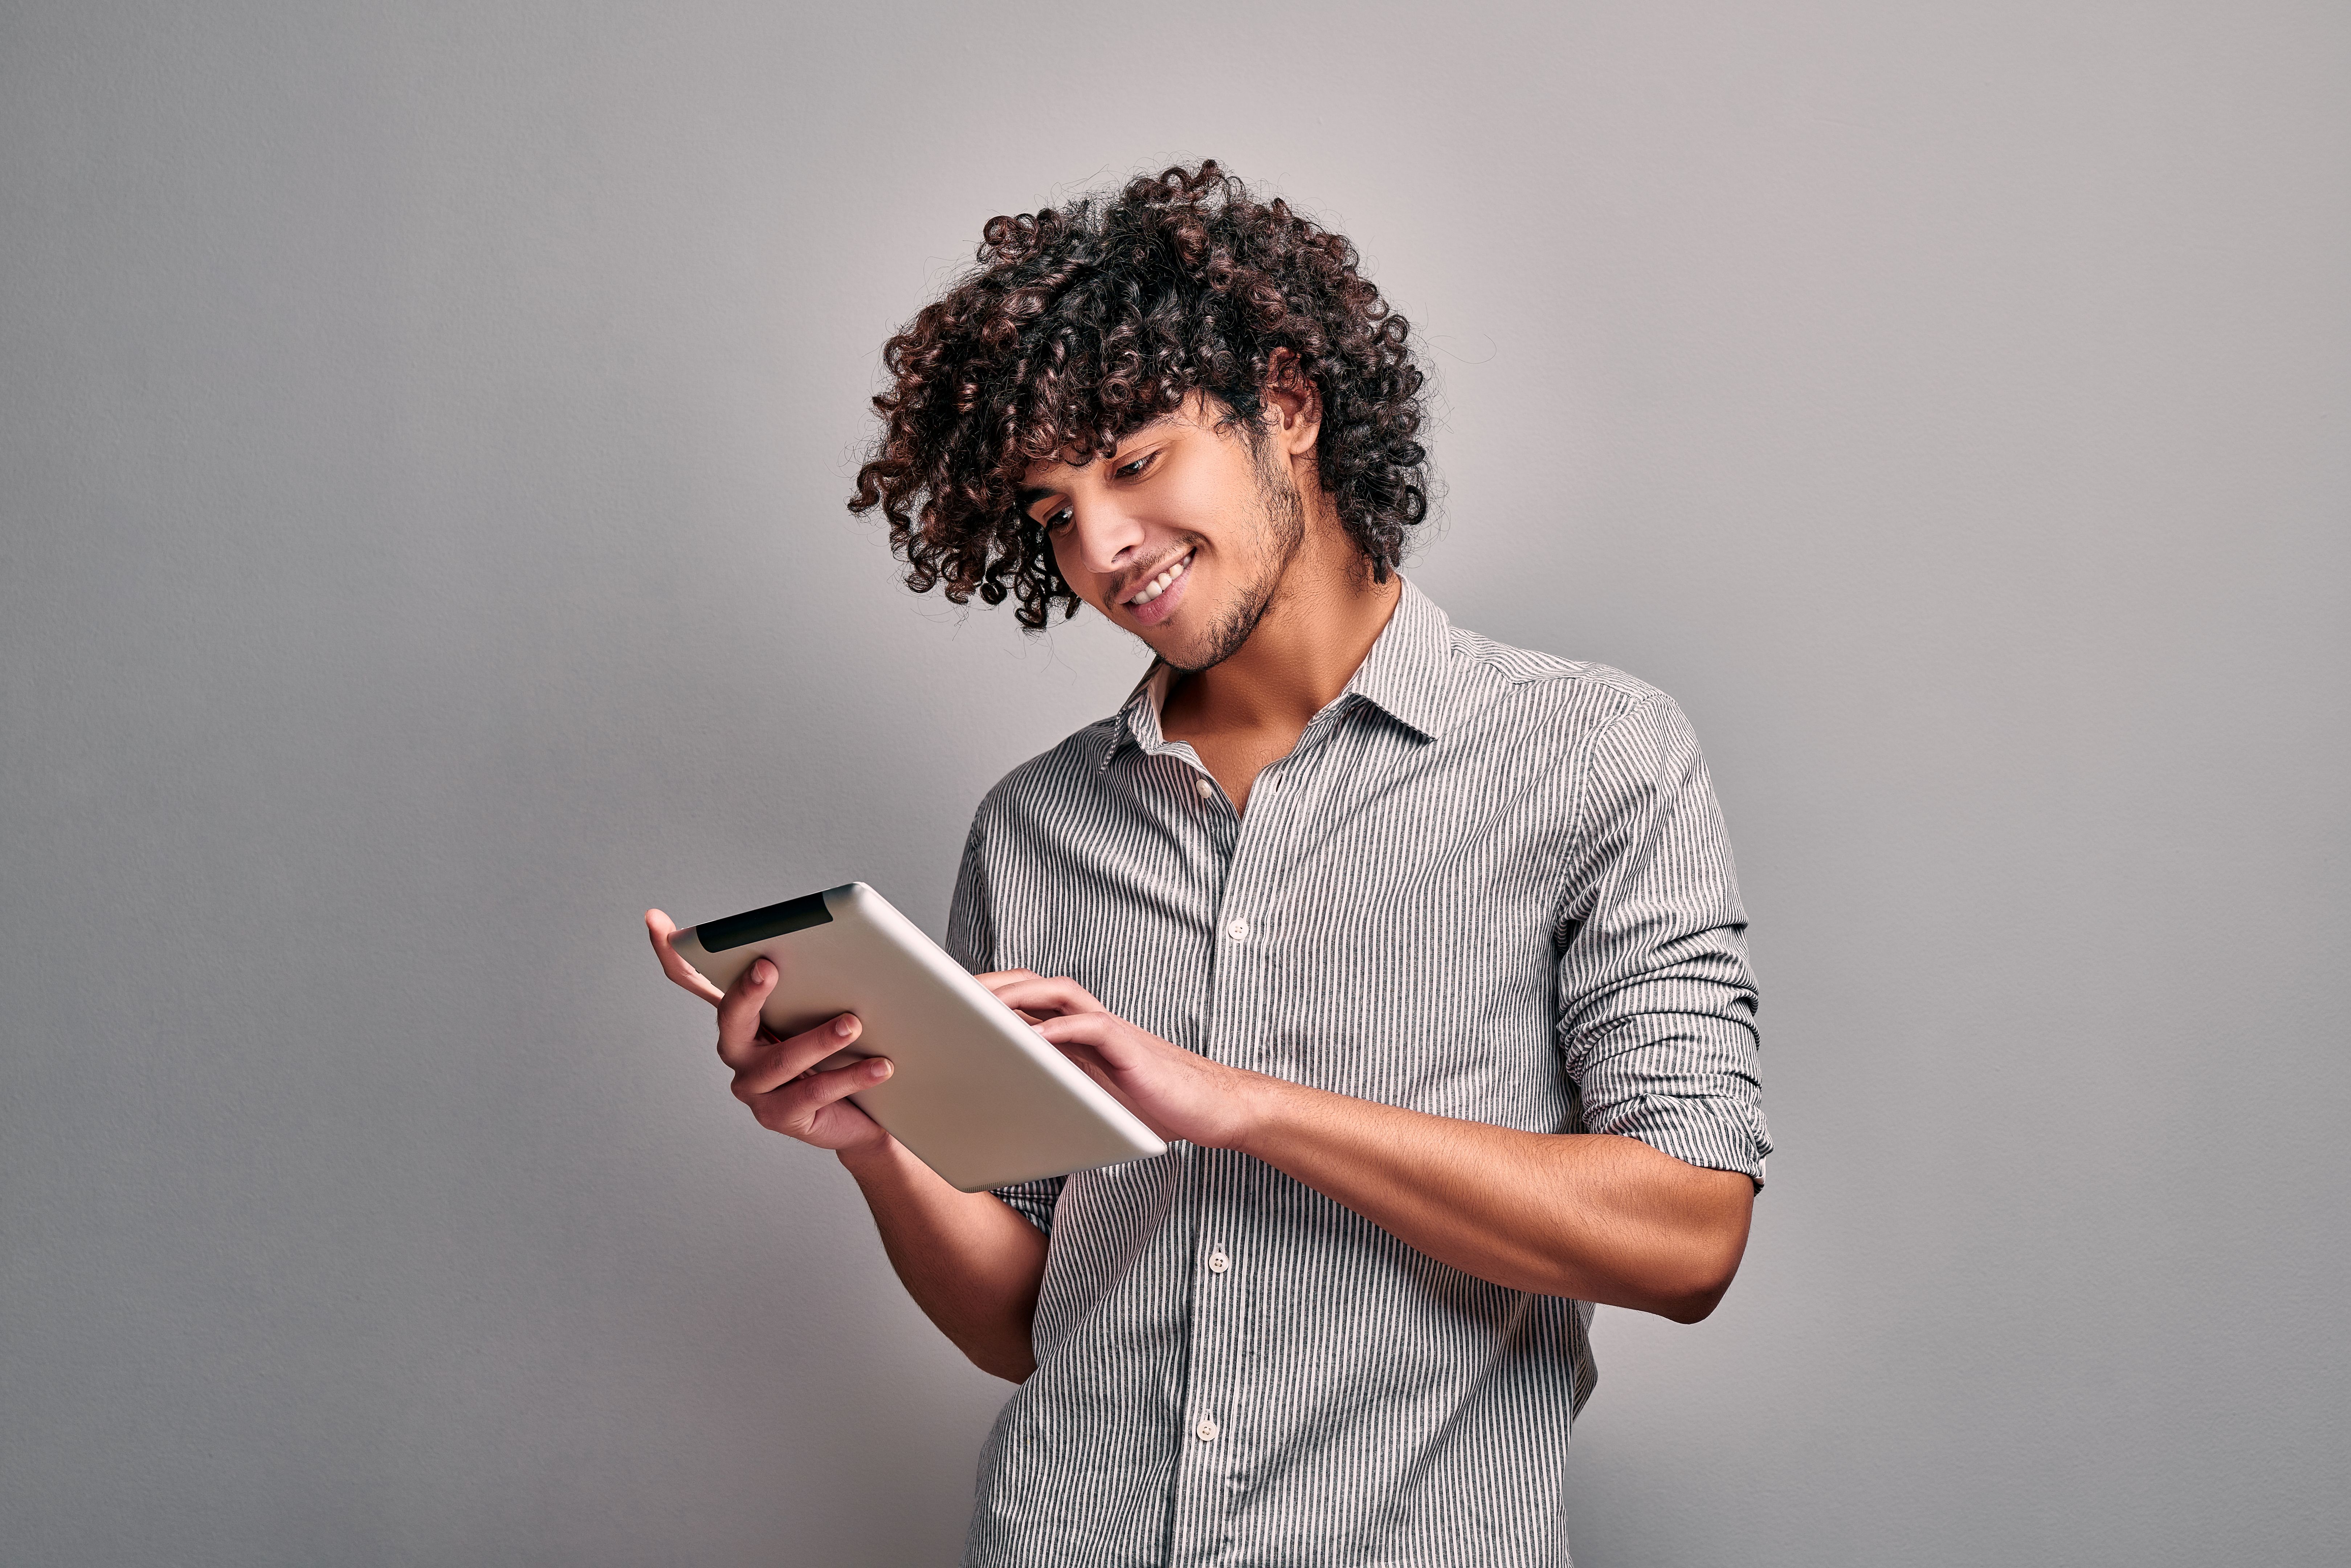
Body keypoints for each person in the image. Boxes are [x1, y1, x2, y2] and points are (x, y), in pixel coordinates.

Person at [647, 160, 1770, 1568]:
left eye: (1133, 461)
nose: (1105, 547)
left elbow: (1687, 1236)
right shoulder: (1037, 827)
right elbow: (1029, 1318)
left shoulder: (1596, 757)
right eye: (1054, 509)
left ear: (1287, 407)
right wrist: (873, 1147)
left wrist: (1240, 1107)